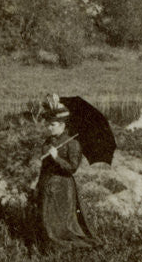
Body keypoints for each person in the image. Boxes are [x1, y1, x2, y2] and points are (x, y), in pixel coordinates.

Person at [33, 94, 98, 248]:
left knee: (63, 225)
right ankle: (49, 254)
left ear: (62, 125)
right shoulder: (48, 142)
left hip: (63, 188)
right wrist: (38, 185)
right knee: (47, 221)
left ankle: (70, 253)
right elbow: (44, 168)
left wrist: (57, 158)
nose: (49, 127)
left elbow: (72, 168)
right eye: (48, 124)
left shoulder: (72, 144)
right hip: (47, 186)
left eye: (53, 124)